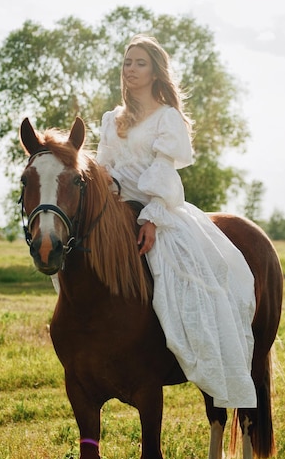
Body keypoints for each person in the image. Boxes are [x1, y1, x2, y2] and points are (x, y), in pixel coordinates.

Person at [97, 34, 257, 409]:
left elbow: (163, 172)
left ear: (155, 73)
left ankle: (195, 347)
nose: (131, 69)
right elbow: (102, 168)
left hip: (158, 209)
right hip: (113, 212)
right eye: (127, 62)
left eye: (140, 63)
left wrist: (151, 219)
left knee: (187, 277)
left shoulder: (167, 118)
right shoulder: (110, 120)